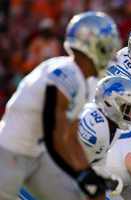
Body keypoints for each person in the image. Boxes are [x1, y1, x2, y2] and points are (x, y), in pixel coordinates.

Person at [0, 11, 120, 200]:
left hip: (37, 155)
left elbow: (71, 137)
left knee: (92, 194)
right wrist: (81, 176)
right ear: (92, 46)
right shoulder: (65, 74)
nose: (110, 53)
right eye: (107, 46)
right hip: (10, 151)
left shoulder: (84, 83)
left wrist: (89, 174)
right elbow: (53, 136)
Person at [78, 76, 131, 198]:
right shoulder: (93, 124)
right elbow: (65, 161)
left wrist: (108, 177)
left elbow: (97, 163)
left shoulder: (114, 129)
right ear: (110, 103)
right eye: (128, 108)